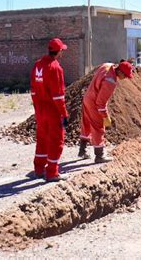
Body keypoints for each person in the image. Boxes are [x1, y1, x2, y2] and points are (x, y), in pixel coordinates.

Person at [78, 60, 134, 163]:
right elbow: (100, 102)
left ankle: (82, 150)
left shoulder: (107, 66)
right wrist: (105, 116)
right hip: (94, 103)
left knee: (86, 123)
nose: (125, 78)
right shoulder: (111, 82)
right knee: (98, 127)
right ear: (120, 72)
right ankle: (99, 156)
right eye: (125, 76)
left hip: (87, 97)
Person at [30, 38, 69, 182]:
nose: (62, 53)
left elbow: (33, 91)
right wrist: (64, 114)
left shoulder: (37, 65)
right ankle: (52, 172)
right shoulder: (55, 67)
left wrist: (37, 109)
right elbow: (58, 96)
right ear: (58, 51)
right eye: (62, 51)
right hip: (52, 110)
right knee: (56, 140)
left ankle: (39, 169)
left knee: (42, 139)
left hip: (40, 109)